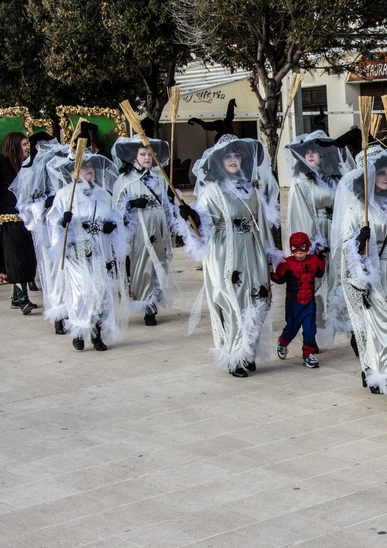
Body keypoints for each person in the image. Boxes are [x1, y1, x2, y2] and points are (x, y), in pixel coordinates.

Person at [183, 135, 280, 378]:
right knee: (233, 302)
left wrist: (269, 254)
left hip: (253, 249)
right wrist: (191, 216)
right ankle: (235, 354)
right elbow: (203, 226)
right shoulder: (212, 192)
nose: (234, 160)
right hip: (226, 252)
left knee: (261, 299)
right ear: (219, 162)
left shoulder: (251, 188)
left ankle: (248, 349)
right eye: (228, 156)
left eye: (237, 155)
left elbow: (262, 225)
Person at [332, 144, 387, 411]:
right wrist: (359, 244)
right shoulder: (359, 208)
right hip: (375, 274)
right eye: (379, 173)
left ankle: (375, 370)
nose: (386, 177)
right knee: (385, 328)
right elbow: (347, 248)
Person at [48, 153, 126, 351]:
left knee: (100, 290)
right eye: (84, 166)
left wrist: (111, 225)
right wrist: (62, 222)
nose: (89, 169)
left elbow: (116, 215)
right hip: (76, 251)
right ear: (74, 170)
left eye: (91, 166)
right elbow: (53, 220)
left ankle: (96, 334)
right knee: (82, 291)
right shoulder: (66, 194)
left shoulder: (102, 193)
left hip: (100, 247)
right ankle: (80, 330)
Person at [112, 135, 190, 327]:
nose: (147, 158)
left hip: (159, 231)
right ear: (134, 157)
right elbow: (114, 210)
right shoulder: (124, 181)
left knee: (158, 266)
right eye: (142, 154)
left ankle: (153, 301)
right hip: (138, 232)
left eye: (149, 154)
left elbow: (166, 207)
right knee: (142, 268)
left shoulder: (159, 180)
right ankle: (146, 305)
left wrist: (173, 206)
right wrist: (130, 204)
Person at [285, 130, 354, 342]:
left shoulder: (337, 177)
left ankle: (345, 323)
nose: (310, 156)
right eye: (307, 152)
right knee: (315, 282)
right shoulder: (301, 182)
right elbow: (298, 214)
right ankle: (314, 332)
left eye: (315, 151)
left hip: (339, 232)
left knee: (341, 276)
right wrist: (310, 243)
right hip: (317, 234)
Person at [9, 135, 71, 333]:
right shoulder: (29, 169)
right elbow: (25, 205)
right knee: (52, 272)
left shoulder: (61, 163)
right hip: (46, 229)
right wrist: (43, 207)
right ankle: (57, 314)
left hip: (66, 227)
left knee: (70, 270)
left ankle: (72, 311)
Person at [0, 132, 39, 313]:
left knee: (27, 258)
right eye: (23, 144)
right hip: (8, 221)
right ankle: (22, 298)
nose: (27, 147)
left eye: (27, 144)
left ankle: (16, 297)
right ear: (13, 145)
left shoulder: (27, 165)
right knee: (16, 259)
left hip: (27, 219)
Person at [271, 231, 325, 369]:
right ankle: (282, 343)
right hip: (294, 303)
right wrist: (270, 271)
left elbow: (320, 273)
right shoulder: (287, 263)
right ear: (291, 248)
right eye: (295, 248)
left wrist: (321, 257)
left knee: (310, 330)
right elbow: (280, 279)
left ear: (307, 246)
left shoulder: (313, 259)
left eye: (302, 247)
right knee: (291, 328)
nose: (299, 251)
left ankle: (307, 355)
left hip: (309, 303)